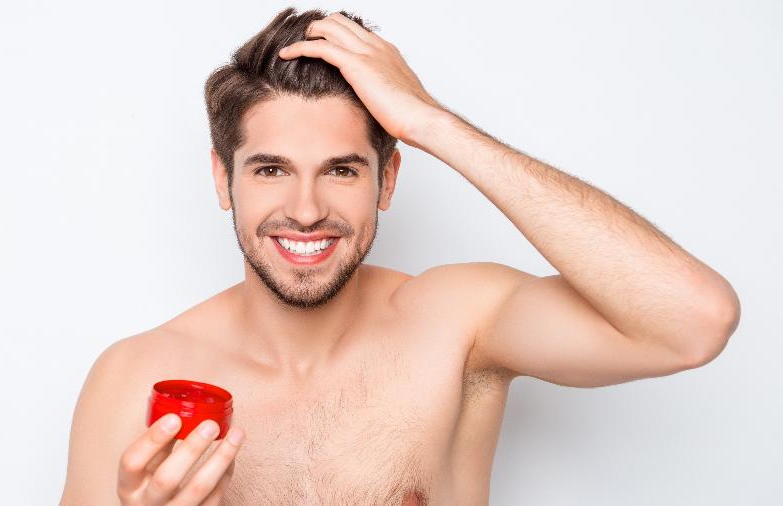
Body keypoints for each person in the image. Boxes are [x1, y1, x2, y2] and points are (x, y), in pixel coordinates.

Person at [59, 7, 741, 505]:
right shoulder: (133, 377)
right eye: (269, 170)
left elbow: (693, 322)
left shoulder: (457, 327)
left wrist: (429, 121)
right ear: (221, 179)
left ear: (387, 180)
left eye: (343, 170)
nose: (304, 208)